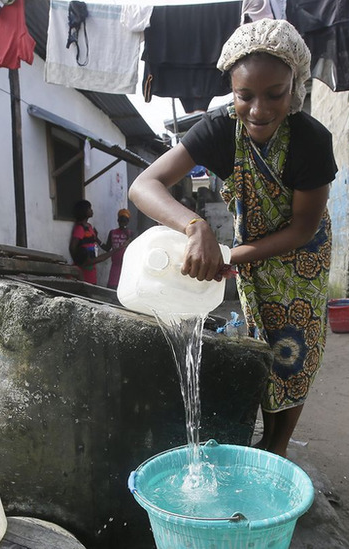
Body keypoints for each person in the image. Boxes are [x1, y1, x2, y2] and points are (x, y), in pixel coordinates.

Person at [128, 19, 337, 457]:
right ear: (232, 91)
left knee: (294, 350)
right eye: (246, 96)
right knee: (262, 341)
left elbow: (302, 227)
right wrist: (195, 226)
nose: (259, 109)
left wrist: (232, 255)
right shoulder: (220, 128)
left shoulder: (312, 140)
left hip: (300, 258)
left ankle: (277, 446)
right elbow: (144, 186)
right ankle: (263, 440)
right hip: (247, 250)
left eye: (274, 94)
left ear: (294, 86)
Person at [69, 199, 118, 285]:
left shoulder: (89, 226)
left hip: (92, 263)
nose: (92, 210)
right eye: (89, 208)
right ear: (84, 211)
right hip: (85, 264)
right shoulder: (80, 228)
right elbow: (72, 247)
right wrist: (80, 261)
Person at [100, 208, 135, 290]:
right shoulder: (112, 232)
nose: (122, 222)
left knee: (124, 287)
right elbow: (107, 248)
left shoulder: (131, 233)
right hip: (115, 266)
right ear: (118, 220)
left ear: (128, 221)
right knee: (112, 287)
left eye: (125, 220)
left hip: (126, 266)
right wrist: (97, 240)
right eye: (121, 219)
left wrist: (127, 235)